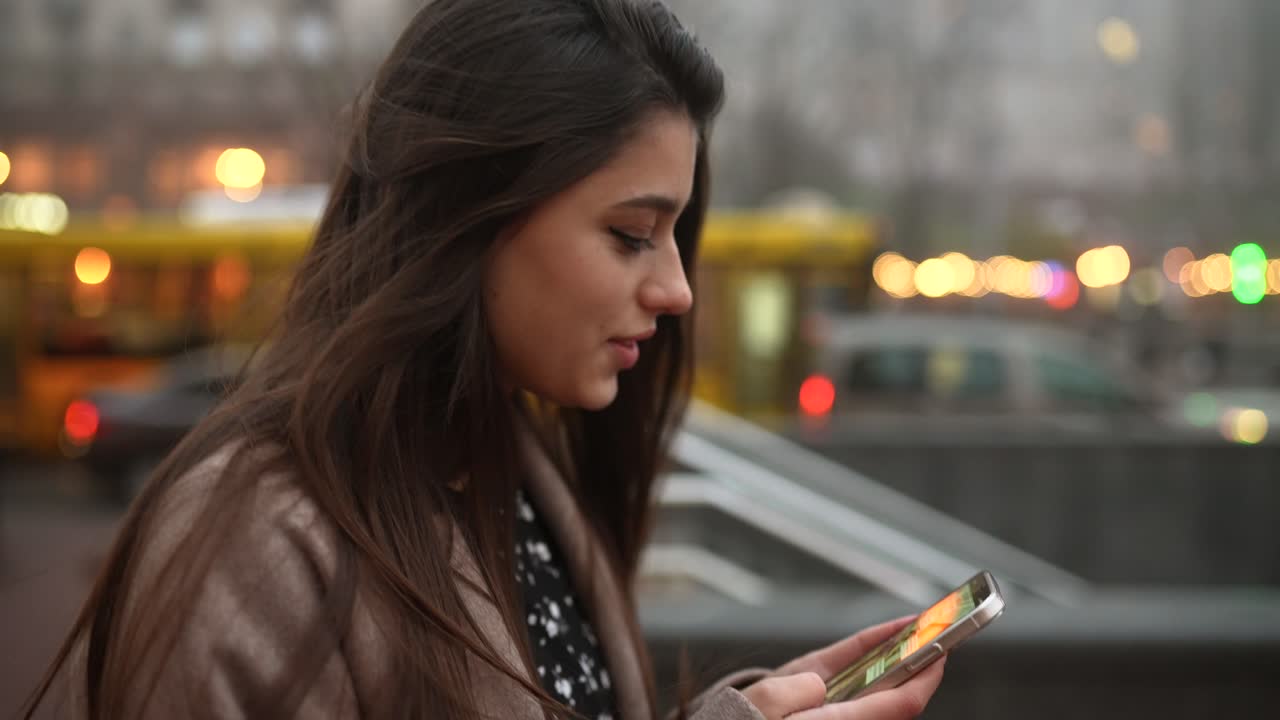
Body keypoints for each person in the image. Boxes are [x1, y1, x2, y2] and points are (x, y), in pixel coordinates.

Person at [25, 1, 945, 718]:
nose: (677, 290)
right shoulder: (258, 544)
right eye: (631, 234)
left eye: (674, 239)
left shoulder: (513, 474)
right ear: (467, 216)